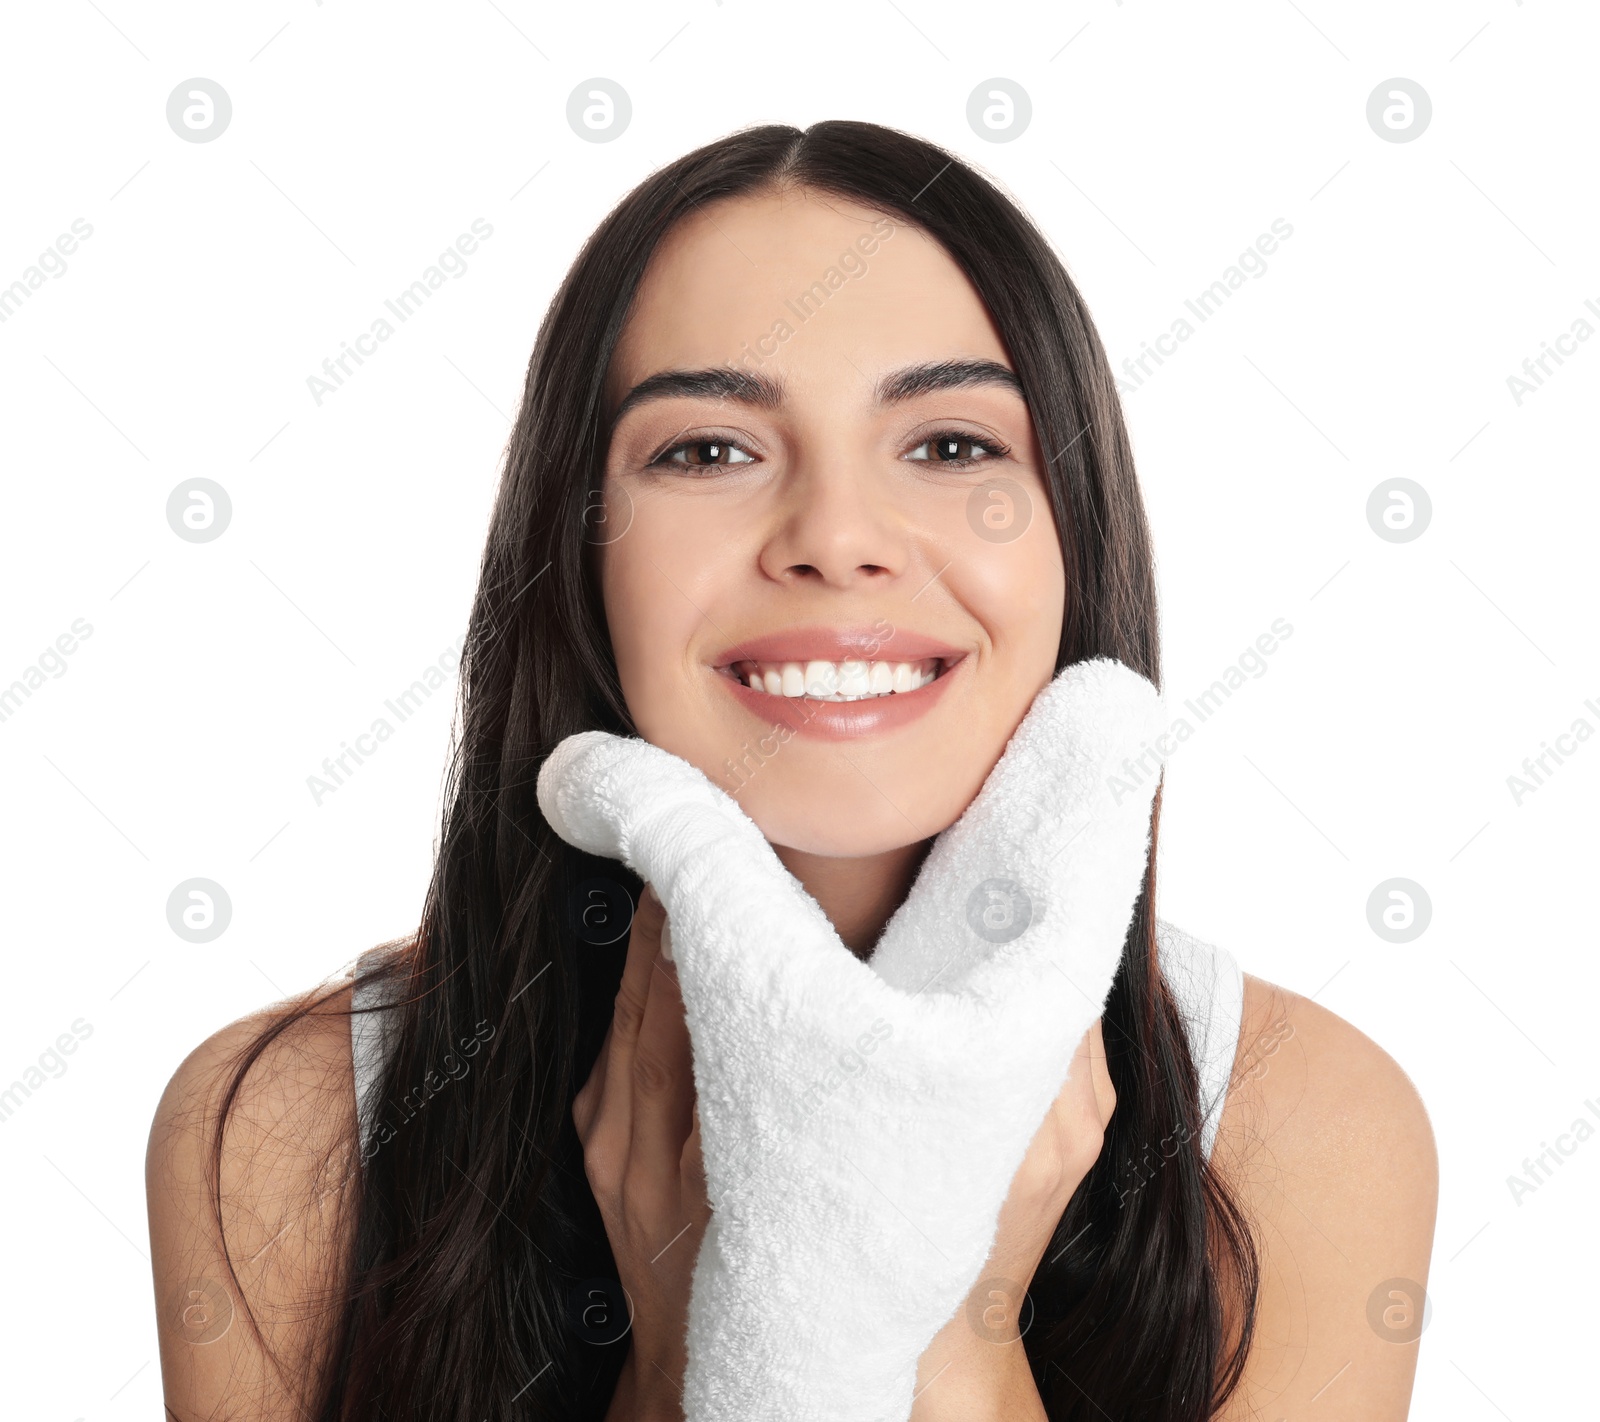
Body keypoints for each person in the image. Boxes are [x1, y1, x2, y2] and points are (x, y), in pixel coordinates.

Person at [146, 120, 1438, 1421]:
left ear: (1071, 535)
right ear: (580, 553)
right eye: (708, 450)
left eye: (948, 445)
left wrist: (941, 1327)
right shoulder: (286, 1128)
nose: (834, 536)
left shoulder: (1303, 1125)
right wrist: (684, 1362)